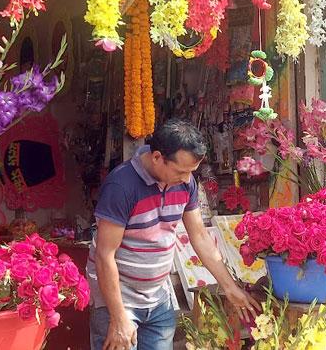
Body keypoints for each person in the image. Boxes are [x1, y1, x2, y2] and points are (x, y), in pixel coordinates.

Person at [88, 119, 259, 350]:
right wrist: (119, 319)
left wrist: (229, 287)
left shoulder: (186, 183)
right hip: (118, 301)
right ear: (157, 157)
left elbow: (199, 236)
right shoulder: (121, 186)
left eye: (192, 172)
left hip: (158, 297)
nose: (188, 179)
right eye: (181, 171)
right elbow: (104, 255)